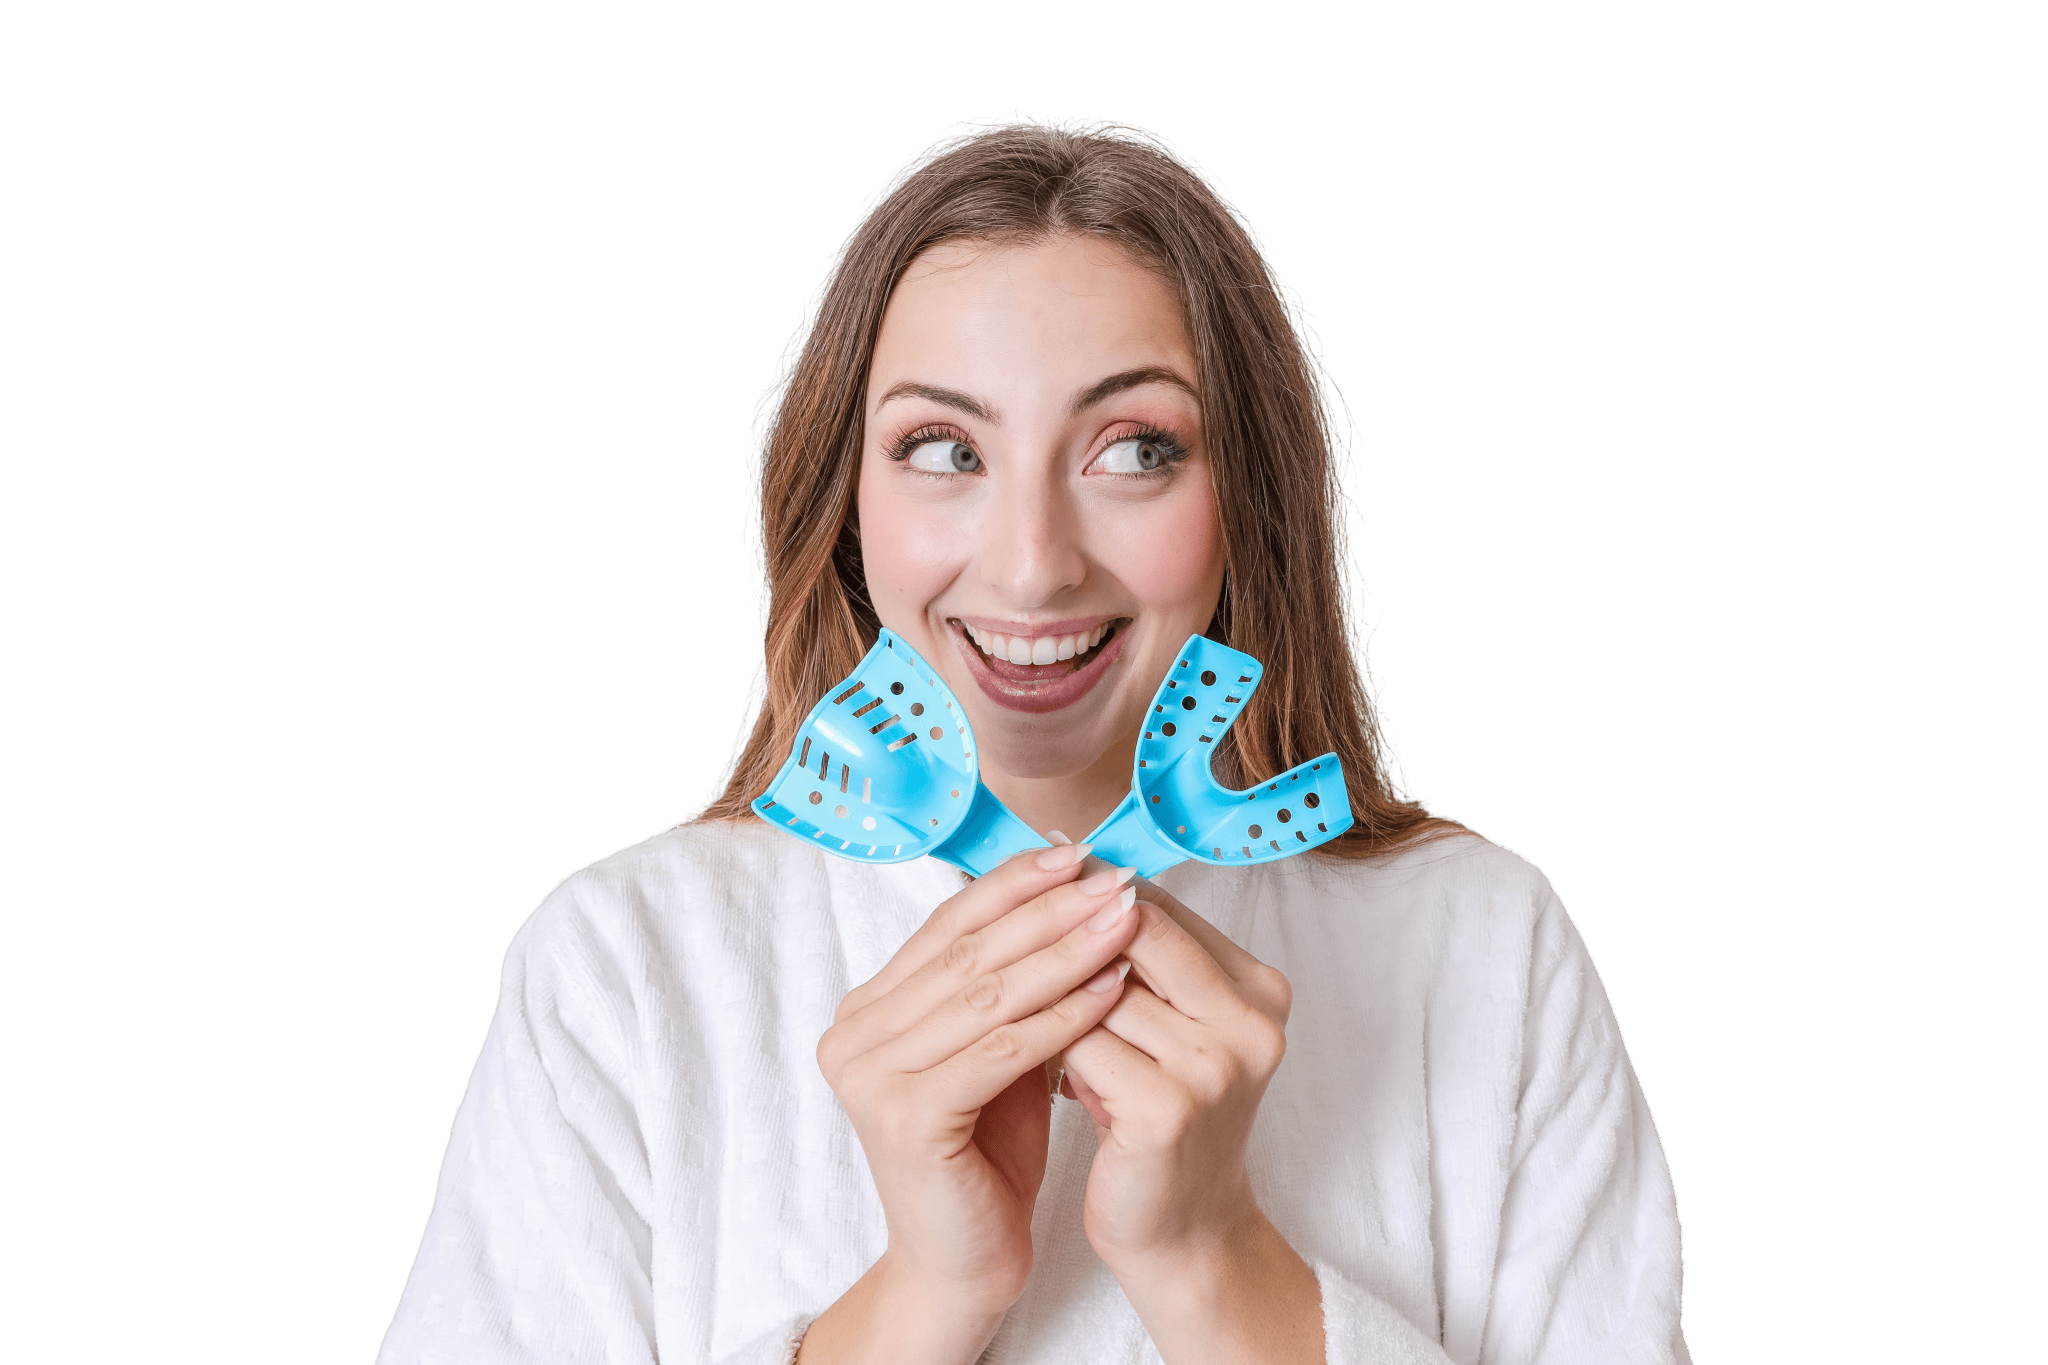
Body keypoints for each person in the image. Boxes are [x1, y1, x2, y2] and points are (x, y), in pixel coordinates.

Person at [378, 115, 1690, 1365]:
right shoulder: (625, 970)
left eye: (1133, 449)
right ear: (846, 502)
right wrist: (920, 1299)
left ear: (1249, 498)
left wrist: (1216, 1260)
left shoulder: (1483, 947)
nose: (1031, 566)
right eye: (944, 448)